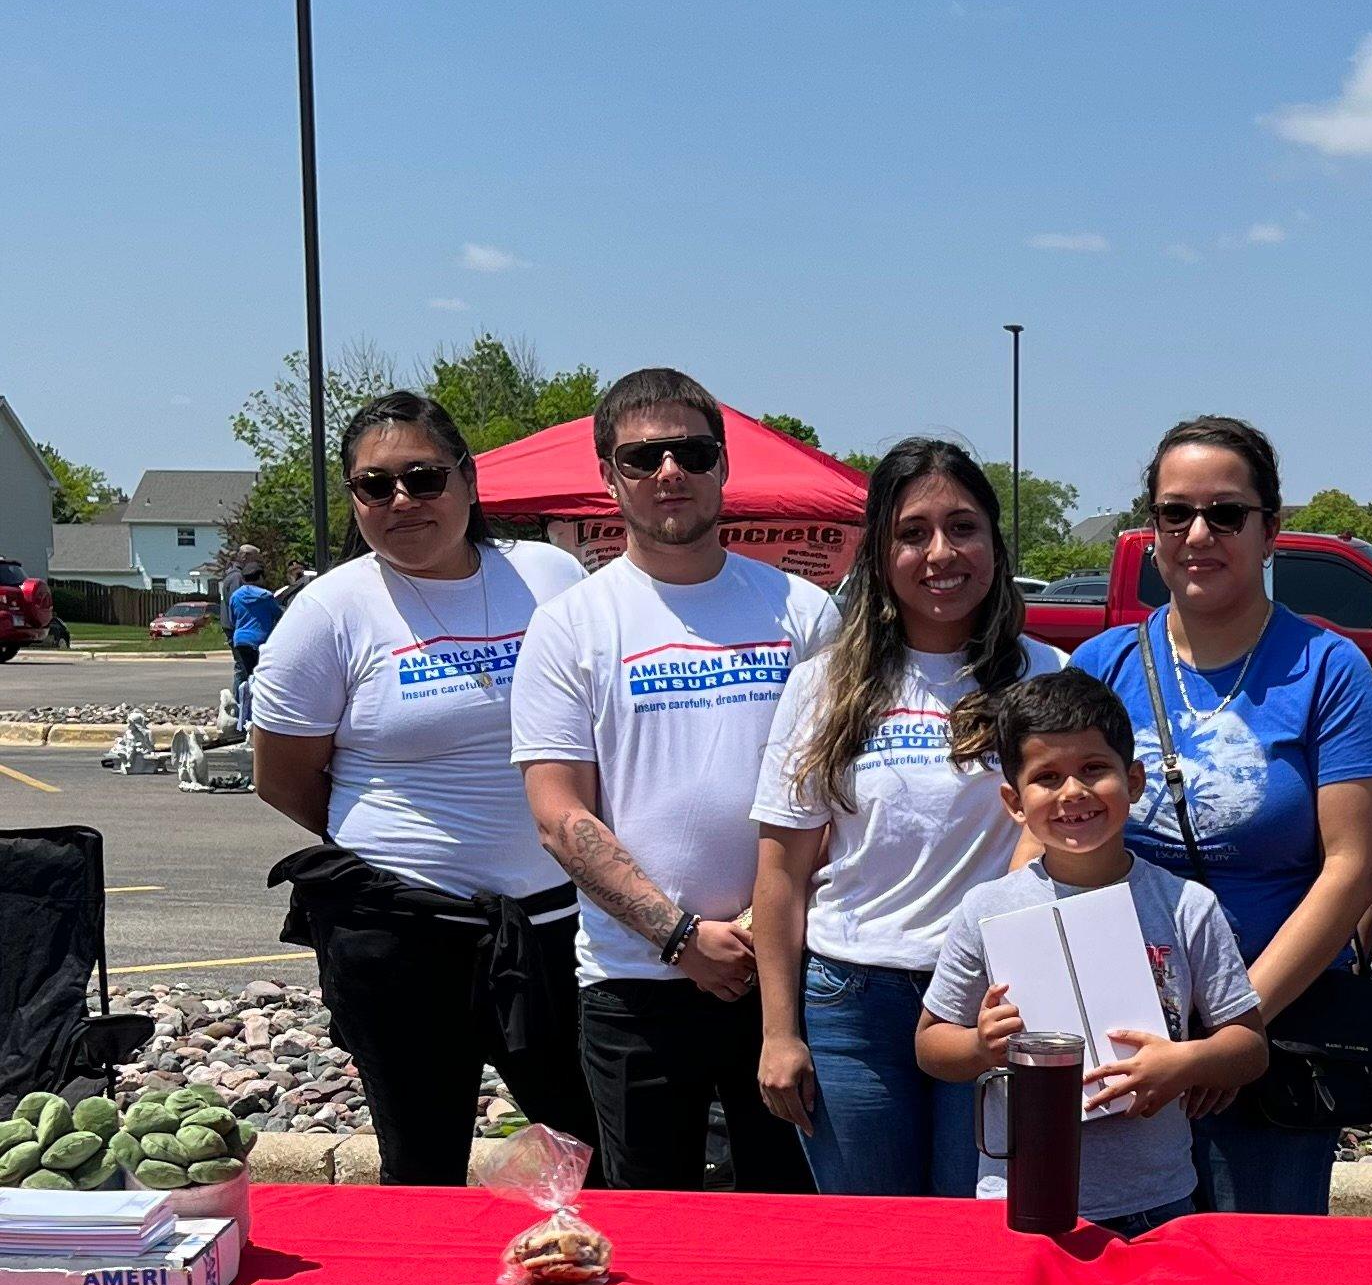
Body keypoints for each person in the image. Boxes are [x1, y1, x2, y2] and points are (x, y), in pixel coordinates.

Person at [249, 390, 595, 1185]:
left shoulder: (547, 574)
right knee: (423, 1164)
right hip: (401, 938)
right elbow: (284, 776)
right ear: (356, 500)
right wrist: (403, 846)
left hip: (551, 926)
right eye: (375, 485)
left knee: (590, 1153)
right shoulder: (329, 612)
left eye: (424, 476)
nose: (402, 499)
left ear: (468, 482)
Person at [512, 367, 834, 1191]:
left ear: (725, 466)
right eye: (642, 456)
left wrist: (765, 930)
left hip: (785, 971)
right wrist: (680, 936)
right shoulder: (570, 625)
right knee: (653, 1224)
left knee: (789, 1212)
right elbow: (559, 816)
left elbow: (841, 791)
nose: (669, 473)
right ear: (607, 476)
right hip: (635, 981)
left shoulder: (803, 612)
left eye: (691, 452)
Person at [1081, 416, 1372, 1214]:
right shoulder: (1102, 666)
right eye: (1174, 512)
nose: (1198, 534)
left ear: (1270, 532)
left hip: (1267, 1046)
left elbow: (1352, 869)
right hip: (1119, 1049)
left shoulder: (1330, 669)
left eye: (1225, 514)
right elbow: (1042, 847)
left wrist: (1224, 1033)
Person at [750, 440, 1045, 1192]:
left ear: (994, 541)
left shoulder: (1047, 677)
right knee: (875, 1244)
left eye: (963, 527)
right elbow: (782, 871)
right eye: (913, 533)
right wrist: (779, 1033)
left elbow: (1055, 845)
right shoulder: (825, 685)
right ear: (880, 553)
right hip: (853, 1004)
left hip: (991, 999)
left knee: (979, 1234)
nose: (940, 552)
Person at [917, 664, 1266, 1234]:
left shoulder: (1186, 905)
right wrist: (982, 1045)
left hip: (1157, 1196)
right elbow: (931, 1045)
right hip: (1020, 1193)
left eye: (1094, 769)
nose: (1073, 792)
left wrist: (1185, 1062)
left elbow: (1248, 1046)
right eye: (1047, 777)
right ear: (1013, 800)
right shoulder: (987, 908)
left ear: (1135, 781)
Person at [224, 554, 282, 730]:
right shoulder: (266, 596)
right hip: (260, 641)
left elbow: (233, 618)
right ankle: (258, 716)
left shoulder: (236, 596)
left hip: (240, 640)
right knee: (260, 678)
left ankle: (241, 713)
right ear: (260, 577)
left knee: (244, 676)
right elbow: (278, 615)